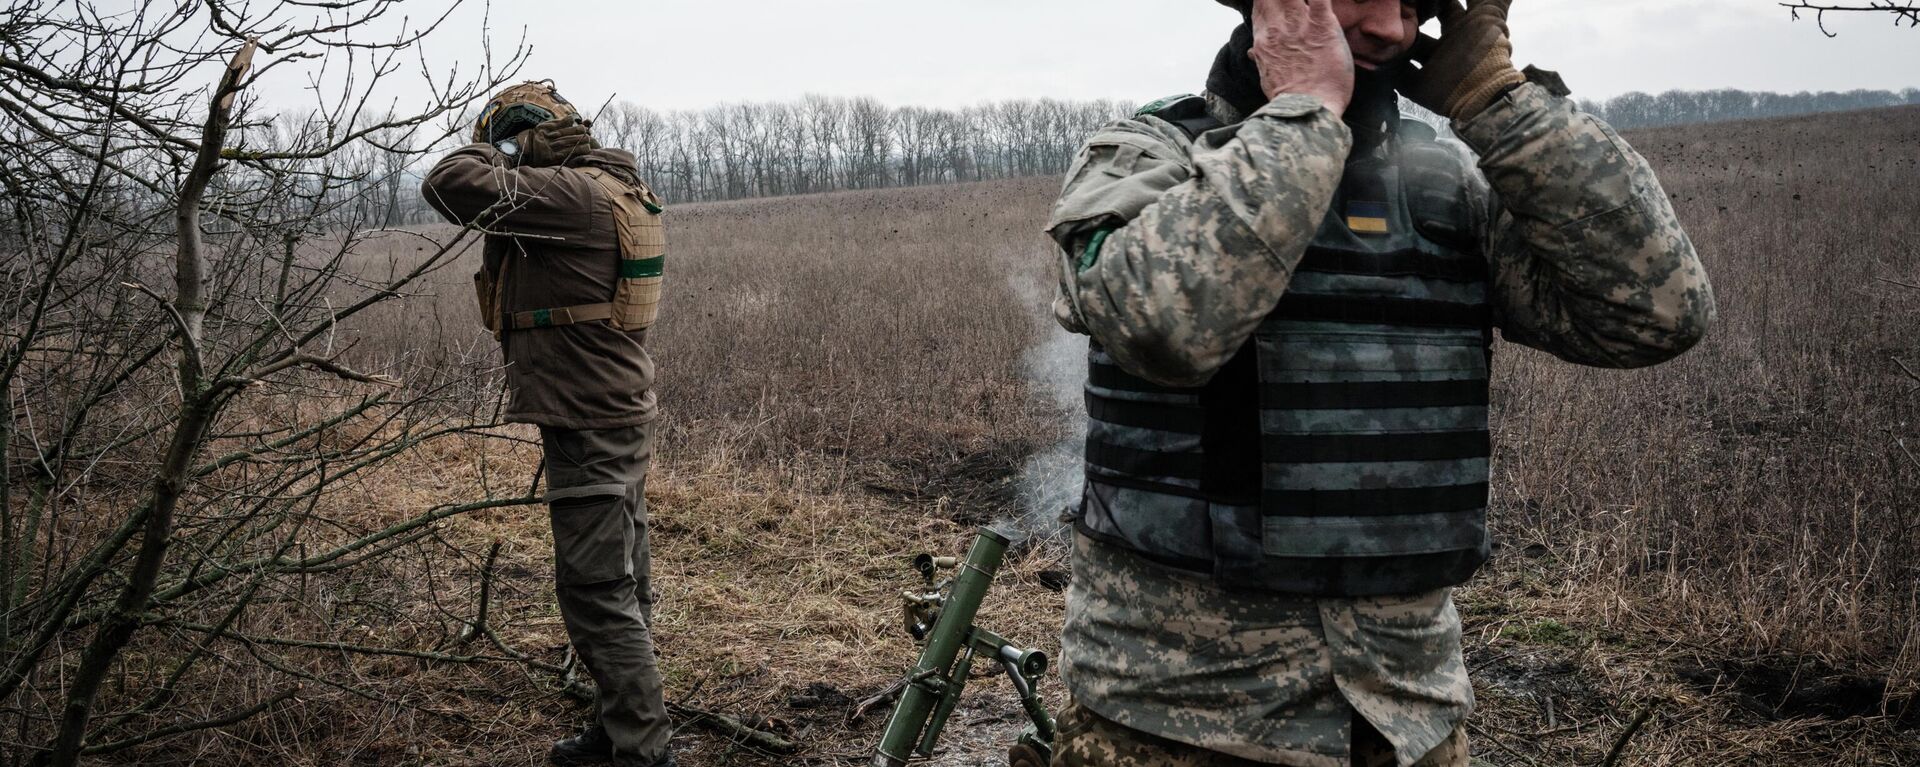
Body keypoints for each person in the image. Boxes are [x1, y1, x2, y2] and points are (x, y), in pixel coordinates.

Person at [1041, 1, 1714, 765]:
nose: (1394, 31)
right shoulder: (1147, 153)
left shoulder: (1448, 180)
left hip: (1410, 721)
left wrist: (1499, 103)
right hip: (1176, 723)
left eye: (1416, 4)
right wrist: (1303, 113)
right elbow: (1161, 320)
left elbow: (1656, 312)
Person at [421, 81, 674, 767]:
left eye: (514, 141)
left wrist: (504, 150)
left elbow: (446, 183)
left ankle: (642, 753)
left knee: (595, 592)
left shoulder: (575, 198)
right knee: (624, 582)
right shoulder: (617, 188)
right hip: (614, 408)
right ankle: (615, 727)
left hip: (590, 418)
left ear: (530, 139)